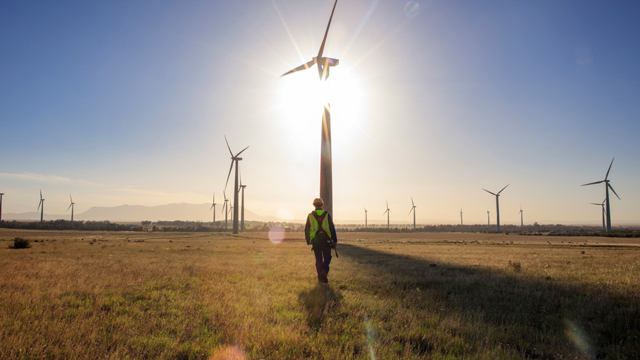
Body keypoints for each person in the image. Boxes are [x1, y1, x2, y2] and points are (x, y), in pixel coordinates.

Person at [304, 198, 337, 284]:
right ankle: (324, 271)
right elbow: (332, 228)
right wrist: (335, 240)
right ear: (322, 204)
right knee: (328, 257)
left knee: (318, 259)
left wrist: (308, 239)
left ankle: (320, 277)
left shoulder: (310, 216)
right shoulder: (327, 215)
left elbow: (307, 228)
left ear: (313, 205)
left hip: (315, 240)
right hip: (326, 240)